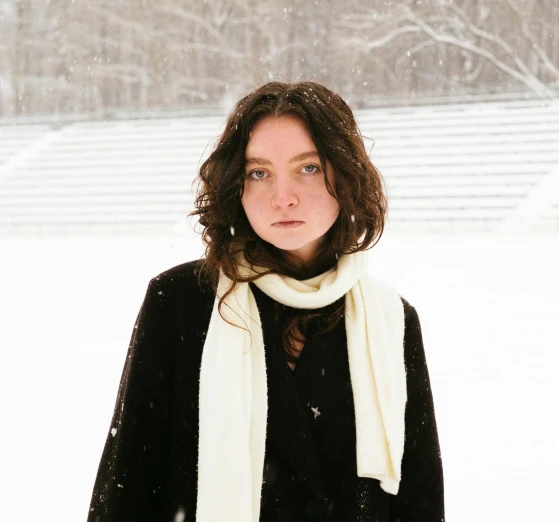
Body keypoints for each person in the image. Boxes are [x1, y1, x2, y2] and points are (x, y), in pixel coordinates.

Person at [86, 81, 445, 522]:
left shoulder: (391, 319)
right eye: (259, 172)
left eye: (308, 168)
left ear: (345, 173)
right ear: (236, 184)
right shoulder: (178, 302)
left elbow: (419, 500)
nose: (282, 197)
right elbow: (127, 486)